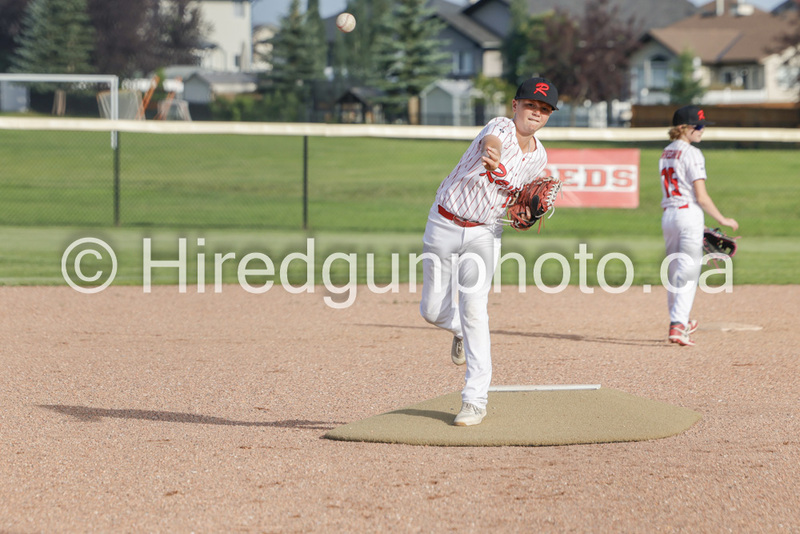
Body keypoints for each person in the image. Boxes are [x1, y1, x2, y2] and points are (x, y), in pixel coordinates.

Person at [419, 77, 559, 426]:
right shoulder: (499, 127)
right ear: (515, 106)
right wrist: (494, 158)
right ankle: (459, 331)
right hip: (445, 222)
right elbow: (491, 147)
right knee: (432, 310)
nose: (536, 113)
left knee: (475, 309)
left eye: (544, 109)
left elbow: (519, 196)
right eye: (530, 105)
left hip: (485, 232)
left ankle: (474, 399)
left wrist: (524, 210)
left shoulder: (539, 155)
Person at [659, 105, 738, 346]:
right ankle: (678, 324)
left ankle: (678, 319)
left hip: (669, 215)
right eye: (698, 126)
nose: (702, 130)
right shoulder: (693, 153)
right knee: (689, 271)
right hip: (689, 214)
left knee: (675, 271)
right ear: (683, 128)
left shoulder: (666, 152)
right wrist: (723, 219)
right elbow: (701, 197)